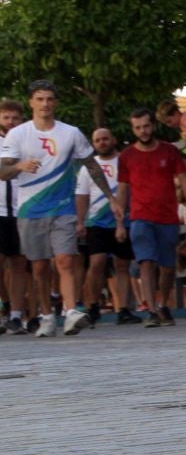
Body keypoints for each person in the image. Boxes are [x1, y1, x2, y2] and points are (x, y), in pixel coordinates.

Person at [0, 80, 124, 337]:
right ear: (31, 102)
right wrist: (20, 167)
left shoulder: (71, 133)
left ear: (55, 102)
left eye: (49, 99)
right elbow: (2, 172)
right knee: (39, 267)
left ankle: (70, 312)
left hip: (63, 207)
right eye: (40, 99)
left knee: (66, 259)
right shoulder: (17, 134)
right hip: (30, 210)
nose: (45, 104)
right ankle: (46, 315)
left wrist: (111, 198)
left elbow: (91, 166)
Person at [117, 107, 186, 327]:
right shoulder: (127, 156)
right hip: (140, 216)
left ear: (153, 125)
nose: (143, 131)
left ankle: (163, 304)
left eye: (146, 126)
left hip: (167, 216)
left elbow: (184, 177)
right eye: (138, 127)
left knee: (168, 265)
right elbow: (122, 189)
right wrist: (120, 221)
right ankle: (151, 310)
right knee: (146, 262)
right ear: (133, 129)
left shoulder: (169, 151)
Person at [78, 127, 136, 325]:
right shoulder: (88, 168)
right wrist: (80, 221)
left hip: (124, 219)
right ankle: (92, 306)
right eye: (97, 140)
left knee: (122, 265)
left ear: (113, 139)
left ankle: (124, 309)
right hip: (97, 221)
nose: (102, 142)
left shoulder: (126, 161)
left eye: (105, 138)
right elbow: (82, 196)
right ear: (93, 144)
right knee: (97, 263)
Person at [0, 96, 31, 333]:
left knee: (19, 263)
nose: (11, 122)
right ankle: (5, 304)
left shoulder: (27, 141)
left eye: (15, 118)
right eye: (6, 117)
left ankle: (16, 314)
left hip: (22, 209)